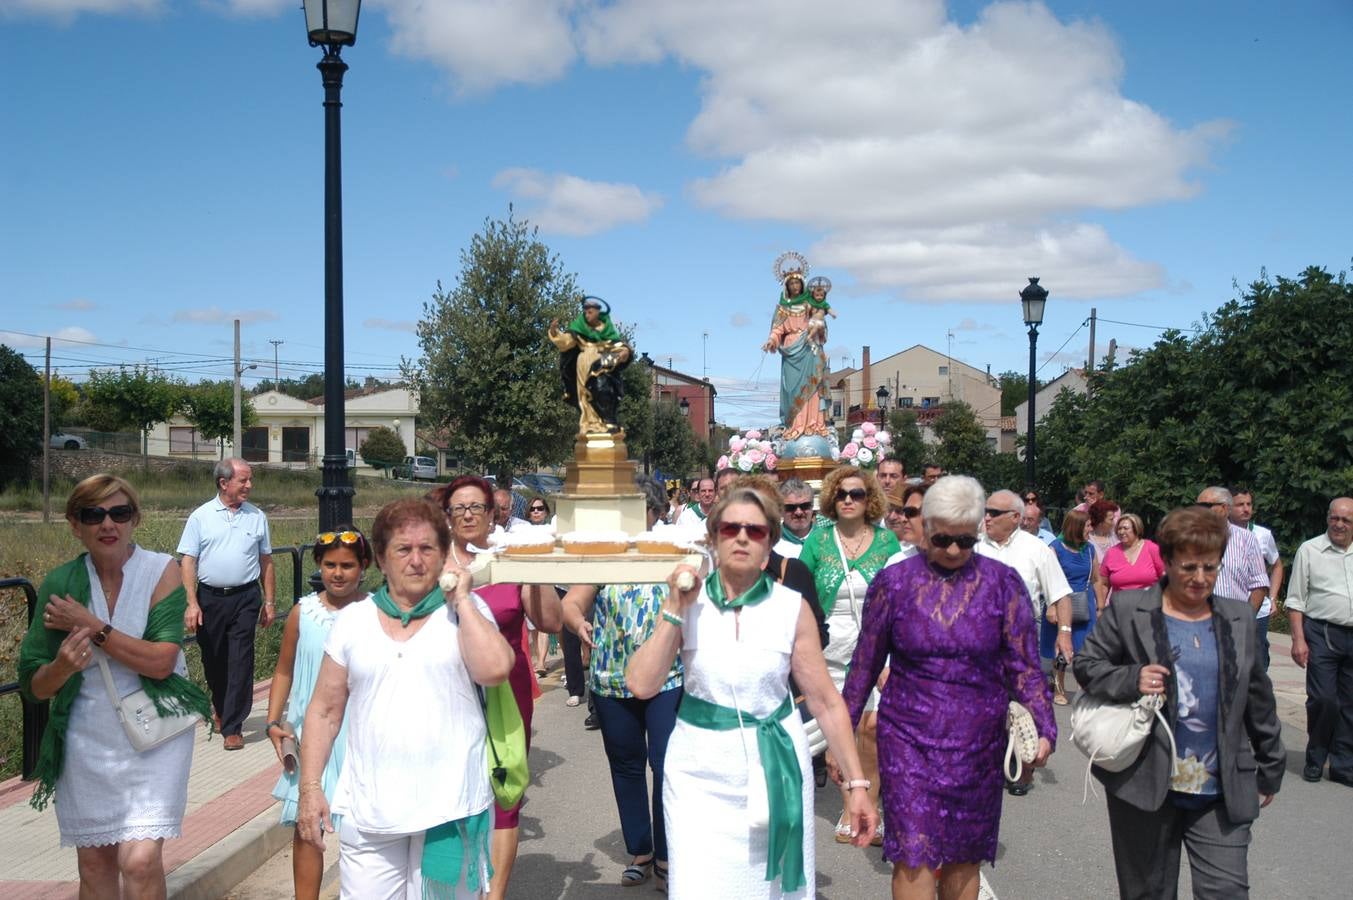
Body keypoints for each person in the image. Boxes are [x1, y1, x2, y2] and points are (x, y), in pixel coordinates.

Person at [627, 486, 879, 897]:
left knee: (771, 888)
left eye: (755, 530)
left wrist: (857, 786)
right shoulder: (687, 603)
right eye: (730, 528)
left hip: (774, 764)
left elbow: (826, 702)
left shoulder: (790, 607)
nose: (742, 537)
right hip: (698, 775)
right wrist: (674, 607)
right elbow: (641, 684)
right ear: (713, 538)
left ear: (770, 543)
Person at [843, 475, 1055, 900]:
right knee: (914, 852)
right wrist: (841, 737)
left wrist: (1045, 727)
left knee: (964, 853)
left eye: (966, 541)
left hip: (978, 742)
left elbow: (1025, 667)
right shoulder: (895, 583)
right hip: (908, 739)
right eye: (943, 540)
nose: (955, 550)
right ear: (925, 527)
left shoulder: (1002, 583)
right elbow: (864, 665)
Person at [296, 498, 515, 898]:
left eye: (427, 548)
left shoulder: (465, 611)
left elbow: (496, 669)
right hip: (371, 809)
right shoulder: (353, 622)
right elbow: (325, 711)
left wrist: (462, 599)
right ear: (381, 558)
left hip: (451, 807)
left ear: (443, 554)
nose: (416, 560)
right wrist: (310, 789)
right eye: (403, 549)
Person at [1073, 506, 1284, 900]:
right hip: (1145, 785)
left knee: (1227, 890)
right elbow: (1087, 666)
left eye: (1210, 567)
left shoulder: (1238, 617)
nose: (1200, 579)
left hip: (1220, 789)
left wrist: (1270, 766)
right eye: (1189, 567)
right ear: (1166, 561)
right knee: (1147, 893)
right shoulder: (1129, 610)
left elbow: (1258, 698)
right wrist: (1131, 678)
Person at [19, 474, 212, 897]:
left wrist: (92, 626)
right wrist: (63, 668)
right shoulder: (61, 584)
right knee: (94, 863)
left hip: (155, 733)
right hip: (87, 736)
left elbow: (162, 662)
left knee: (139, 863)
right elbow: (34, 684)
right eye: (94, 514)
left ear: (134, 519)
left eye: (119, 513)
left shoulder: (160, 571)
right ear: (75, 524)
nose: (108, 524)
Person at [433, 476, 563, 900]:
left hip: (507, 694)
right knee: (449, 787)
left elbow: (551, 623)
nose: (468, 514)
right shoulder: (433, 562)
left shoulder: (511, 559)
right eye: (459, 508)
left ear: (493, 514)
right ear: (448, 516)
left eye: (477, 507)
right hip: (446, 694)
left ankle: (496, 894)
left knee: (504, 794)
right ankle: (452, 882)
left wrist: (536, 573)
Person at [561, 478, 683, 888]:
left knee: (667, 766)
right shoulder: (604, 555)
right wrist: (579, 620)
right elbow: (572, 600)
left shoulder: (671, 553)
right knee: (627, 766)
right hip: (612, 681)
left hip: (667, 679)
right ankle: (641, 849)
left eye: (637, 509)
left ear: (654, 512)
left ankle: (670, 855)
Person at [266, 526, 372, 900]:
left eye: (347, 565)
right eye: (330, 565)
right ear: (318, 566)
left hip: (359, 732)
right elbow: (283, 669)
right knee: (307, 825)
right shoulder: (302, 611)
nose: (338, 573)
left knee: (366, 826)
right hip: (311, 734)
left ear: (364, 567)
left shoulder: (374, 612)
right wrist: (273, 721)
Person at [797, 466, 900, 843]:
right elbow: (802, 593)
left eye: (856, 494)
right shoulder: (818, 542)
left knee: (870, 727)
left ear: (868, 498)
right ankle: (848, 805)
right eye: (841, 494)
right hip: (828, 647)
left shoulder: (888, 542)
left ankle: (870, 804)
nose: (848, 500)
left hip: (875, 647)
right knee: (838, 728)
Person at [178, 457, 276, 750]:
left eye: (250, 479)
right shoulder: (201, 517)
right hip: (210, 599)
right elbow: (188, 561)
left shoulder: (257, 516)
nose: (249, 485)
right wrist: (192, 603)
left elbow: (266, 561)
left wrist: (269, 601)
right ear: (224, 483)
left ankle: (233, 726)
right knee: (214, 658)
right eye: (243, 480)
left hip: (246, 597)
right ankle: (221, 707)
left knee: (240, 659)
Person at [975, 490, 1071, 758]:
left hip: (1020, 643)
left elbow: (1061, 594)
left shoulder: (1036, 549)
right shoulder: (973, 546)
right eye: (985, 511)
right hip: (978, 643)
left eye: (994, 513)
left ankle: (1021, 765)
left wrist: (1064, 633)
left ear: (1015, 517)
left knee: (1022, 704)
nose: (987, 518)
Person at [1285, 496, 1353, 786]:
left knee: (1350, 704)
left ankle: (1343, 765)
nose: (1338, 524)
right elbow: (1296, 600)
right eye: (1334, 518)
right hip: (1321, 633)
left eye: (1345, 520)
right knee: (1324, 699)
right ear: (1327, 518)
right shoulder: (1310, 550)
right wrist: (1298, 639)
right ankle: (1315, 757)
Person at [762, 266, 832, 440]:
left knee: (813, 386)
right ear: (787, 286)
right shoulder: (782, 308)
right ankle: (795, 425)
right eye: (791, 283)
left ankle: (813, 424)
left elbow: (820, 322)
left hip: (810, 347)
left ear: (802, 284)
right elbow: (777, 329)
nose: (795, 286)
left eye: (797, 283)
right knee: (792, 390)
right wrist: (771, 340)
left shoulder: (810, 304)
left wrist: (818, 326)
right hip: (791, 350)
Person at [549, 295, 633, 435]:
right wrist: (554, 332)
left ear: (598, 313)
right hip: (583, 364)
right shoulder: (579, 328)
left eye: (590, 312)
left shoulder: (607, 329)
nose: (587, 315)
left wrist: (624, 352)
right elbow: (566, 342)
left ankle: (607, 421)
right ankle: (590, 423)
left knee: (603, 389)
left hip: (603, 362)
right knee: (585, 395)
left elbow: (617, 345)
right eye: (585, 312)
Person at [1228, 487, 1284, 671]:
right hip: (1227, 608)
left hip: (1257, 609)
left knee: (1256, 655)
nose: (1246, 509)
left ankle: (1256, 694)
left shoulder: (1262, 534)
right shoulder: (1218, 534)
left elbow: (1276, 565)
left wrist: (1273, 598)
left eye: (1249, 504)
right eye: (1240, 505)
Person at [1047, 508, 1096, 705]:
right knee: (1060, 649)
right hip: (1060, 601)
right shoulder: (1055, 548)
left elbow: (1096, 579)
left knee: (1084, 650)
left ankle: (1082, 689)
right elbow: (1047, 579)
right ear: (1076, 527)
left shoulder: (1090, 549)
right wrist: (1051, 606)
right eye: (1088, 525)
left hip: (1084, 602)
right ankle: (1059, 688)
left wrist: (1100, 607)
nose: (1090, 529)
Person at [1195, 487, 1269, 614]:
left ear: (1224, 508)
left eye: (1206, 506)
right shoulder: (1186, 538)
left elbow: (1259, 583)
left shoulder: (1246, 538)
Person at [1094, 513, 1166, 607]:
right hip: (1120, 610)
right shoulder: (1111, 553)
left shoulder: (1152, 549)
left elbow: (1165, 579)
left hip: (1149, 608)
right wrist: (1100, 608)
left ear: (1136, 529)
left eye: (1125, 528)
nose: (1121, 532)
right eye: (1119, 529)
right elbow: (1104, 584)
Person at [883, 483, 927, 566]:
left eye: (911, 512)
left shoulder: (956, 560)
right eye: (904, 512)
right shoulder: (897, 564)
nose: (904, 519)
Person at [774, 478, 816, 558]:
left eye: (805, 506)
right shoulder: (771, 544)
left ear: (812, 507)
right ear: (780, 510)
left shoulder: (829, 539)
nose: (798, 512)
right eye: (790, 507)